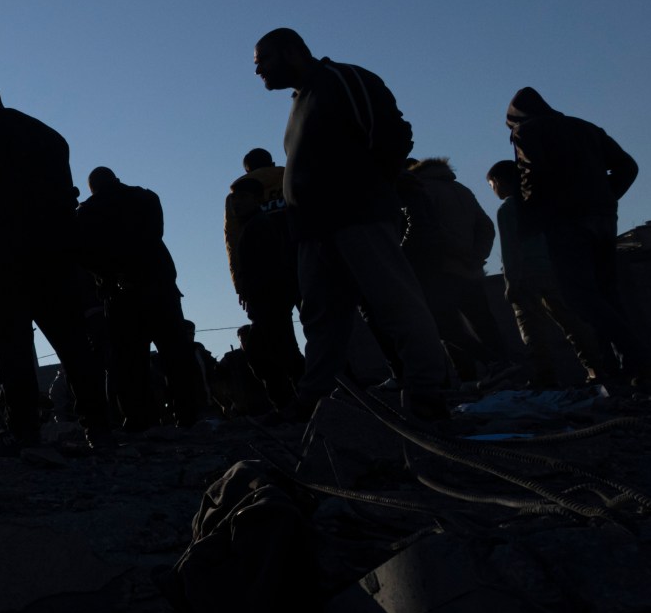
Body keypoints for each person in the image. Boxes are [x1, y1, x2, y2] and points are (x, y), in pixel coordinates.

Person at [251, 30, 452, 419]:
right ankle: (316, 398)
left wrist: (367, 189)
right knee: (321, 317)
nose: (258, 70)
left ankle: (427, 391)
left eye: (263, 61)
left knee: (394, 303)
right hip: (314, 231)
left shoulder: (342, 80)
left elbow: (393, 135)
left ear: (291, 51)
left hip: (358, 218)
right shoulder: (299, 102)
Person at [0, 78, 114, 449]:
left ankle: (24, 432)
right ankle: (98, 427)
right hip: (54, 253)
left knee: (11, 345)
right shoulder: (49, 136)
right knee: (72, 342)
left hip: (3, 254)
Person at [506, 87, 651, 387]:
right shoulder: (585, 127)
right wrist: (606, 198)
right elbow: (627, 166)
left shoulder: (526, 132)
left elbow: (531, 177)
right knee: (606, 295)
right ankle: (631, 368)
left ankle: (643, 358)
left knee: (579, 297)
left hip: (565, 222)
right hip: (603, 220)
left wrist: (532, 218)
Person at [77, 167, 206, 430]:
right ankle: (188, 413)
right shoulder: (146, 198)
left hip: (120, 292)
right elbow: (155, 235)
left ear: (92, 188)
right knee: (175, 353)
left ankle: (140, 418)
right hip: (158, 285)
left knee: (129, 360)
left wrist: (111, 275)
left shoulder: (87, 212)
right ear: (116, 179)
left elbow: (85, 255)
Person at [397, 158, 510, 381]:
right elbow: (486, 227)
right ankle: (506, 368)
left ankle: (472, 375)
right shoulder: (461, 189)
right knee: (484, 323)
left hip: (438, 269)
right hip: (470, 271)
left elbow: (427, 229)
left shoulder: (422, 190)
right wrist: (477, 256)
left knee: (445, 326)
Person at [486, 159, 592, 389]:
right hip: (552, 270)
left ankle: (544, 376)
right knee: (571, 322)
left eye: (491, 185)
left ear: (499, 182)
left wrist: (511, 282)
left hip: (526, 275)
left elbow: (510, 248)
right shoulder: (539, 204)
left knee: (532, 328)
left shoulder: (507, 209)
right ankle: (595, 368)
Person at [224, 173, 302, 409]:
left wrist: (260, 297)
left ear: (257, 199)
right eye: (234, 198)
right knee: (278, 351)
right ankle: (295, 400)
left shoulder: (260, 226)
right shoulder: (253, 226)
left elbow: (269, 267)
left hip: (271, 300)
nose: (237, 203)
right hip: (267, 300)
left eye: (243, 197)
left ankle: (294, 401)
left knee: (270, 352)